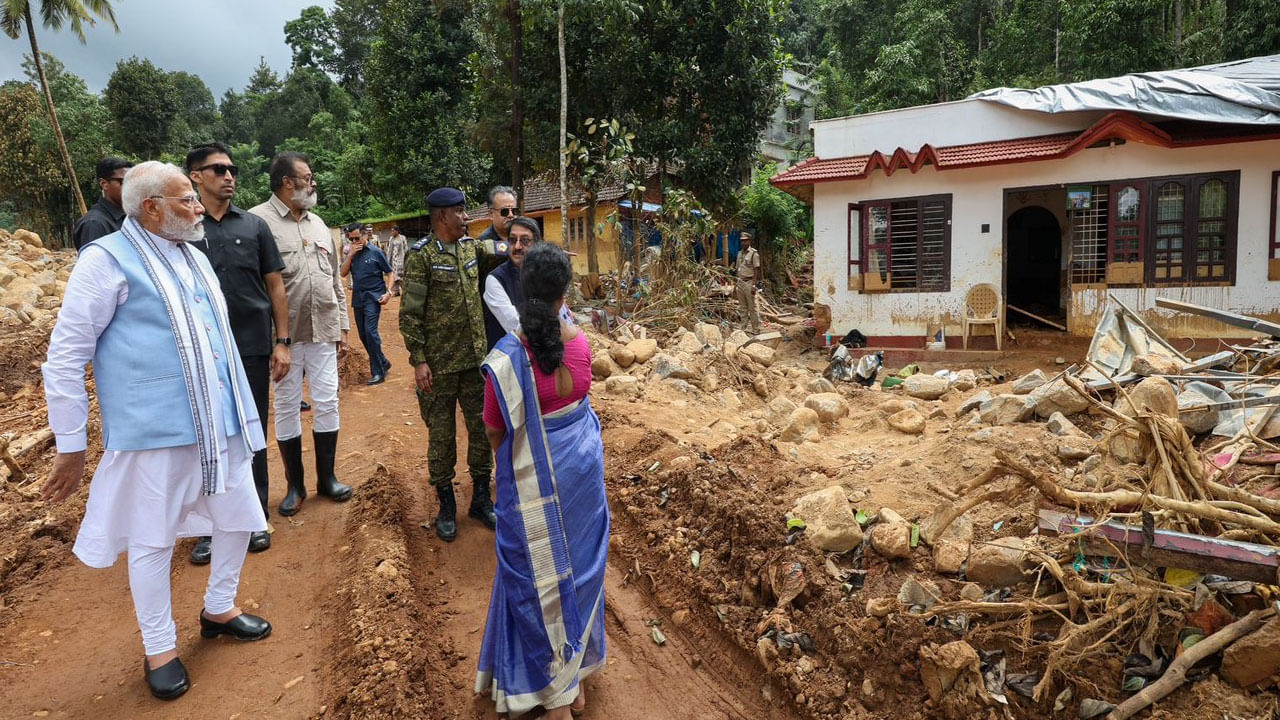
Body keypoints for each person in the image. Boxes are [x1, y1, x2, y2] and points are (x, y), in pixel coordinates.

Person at [41, 161, 272, 702]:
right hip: (155, 428)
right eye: (187, 200)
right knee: (152, 537)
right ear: (151, 208)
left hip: (220, 418)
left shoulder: (194, 255)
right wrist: (71, 445)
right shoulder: (104, 261)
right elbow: (66, 354)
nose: (198, 209)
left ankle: (220, 606)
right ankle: (160, 646)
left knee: (238, 516)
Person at [476, 242, 607, 719]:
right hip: (584, 472)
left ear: (524, 287)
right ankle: (574, 678)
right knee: (581, 570)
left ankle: (553, 696)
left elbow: (495, 429)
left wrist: (514, 471)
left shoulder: (507, 359)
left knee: (535, 578)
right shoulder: (581, 343)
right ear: (565, 291)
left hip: (535, 479)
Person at [185, 143, 291, 561]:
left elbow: (276, 286)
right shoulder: (182, 230)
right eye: (218, 170)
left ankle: (254, 517)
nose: (229, 176)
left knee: (250, 433)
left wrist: (282, 342)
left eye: (232, 170)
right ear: (196, 176)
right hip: (200, 352)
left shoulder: (254, 226)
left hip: (250, 347)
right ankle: (208, 526)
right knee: (204, 435)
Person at [249, 152, 353, 517]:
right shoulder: (257, 222)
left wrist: (343, 323)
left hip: (323, 329)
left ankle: (328, 478)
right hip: (285, 338)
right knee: (288, 405)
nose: (313, 183)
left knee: (328, 401)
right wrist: (274, 339)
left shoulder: (319, 224)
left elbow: (333, 278)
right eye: (307, 177)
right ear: (286, 182)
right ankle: (295, 486)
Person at [399, 187, 503, 542]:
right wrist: (419, 361)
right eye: (460, 212)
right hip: (439, 367)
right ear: (442, 216)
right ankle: (445, 502)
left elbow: (504, 249)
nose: (465, 217)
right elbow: (410, 315)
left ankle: (479, 499)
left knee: (481, 431)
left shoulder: (470, 249)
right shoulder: (422, 257)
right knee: (441, 437)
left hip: (475, 362)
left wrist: (531, 247)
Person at [481, 216, 573, 350]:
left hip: (547, 353)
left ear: (536, 244)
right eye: (512, 240)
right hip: (513, 359)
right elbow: (515, 325)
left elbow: (563, 316)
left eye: (525, 240)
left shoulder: (544, 274)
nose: (517, 246)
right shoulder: (495, 280)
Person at [340, 221, 396, 385]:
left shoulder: (376, 252)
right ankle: (383, 361)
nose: (355, 242)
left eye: (358, 238)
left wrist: (389, 292)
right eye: (352, 239)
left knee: (371, 333)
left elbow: (390, 272)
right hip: (358, 298)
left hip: (374, 297)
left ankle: (378, 371)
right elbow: (343, 273)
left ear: (366, 235)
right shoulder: (352, 254)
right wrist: (350, 255)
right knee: (363, 335)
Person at [72, 157, 133, 252]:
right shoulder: (94, 224)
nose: (129, 187)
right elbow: (94, 264)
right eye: (123, 182)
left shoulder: (129, 218)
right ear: (104, 184)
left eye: (132, 182)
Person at [736, 230, 762, 335]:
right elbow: (737, 269)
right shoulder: (739, 253)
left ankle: (756, 329)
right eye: (742, 241)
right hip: (740, 282)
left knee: (753, 308)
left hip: (749, 282)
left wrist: (754, 285)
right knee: (742, 308)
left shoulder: (754, 254)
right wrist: (735, 285)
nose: (743, 243)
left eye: (745, 241)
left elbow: (756, 270)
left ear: (749, 241)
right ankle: (743, 328)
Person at [386, 225, 408, 295]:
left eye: (393, 231)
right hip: (394, 260)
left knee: (400, 275)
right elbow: (389, 250)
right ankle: (396, 291)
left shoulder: (402, 238)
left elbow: (406, 248)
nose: (392, 232)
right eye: (391, 231)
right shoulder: (391, 239)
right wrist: (387, 260)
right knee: (394, 275)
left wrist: (406, 257)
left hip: (401, 259)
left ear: (397, 231)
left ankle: (405, 290)